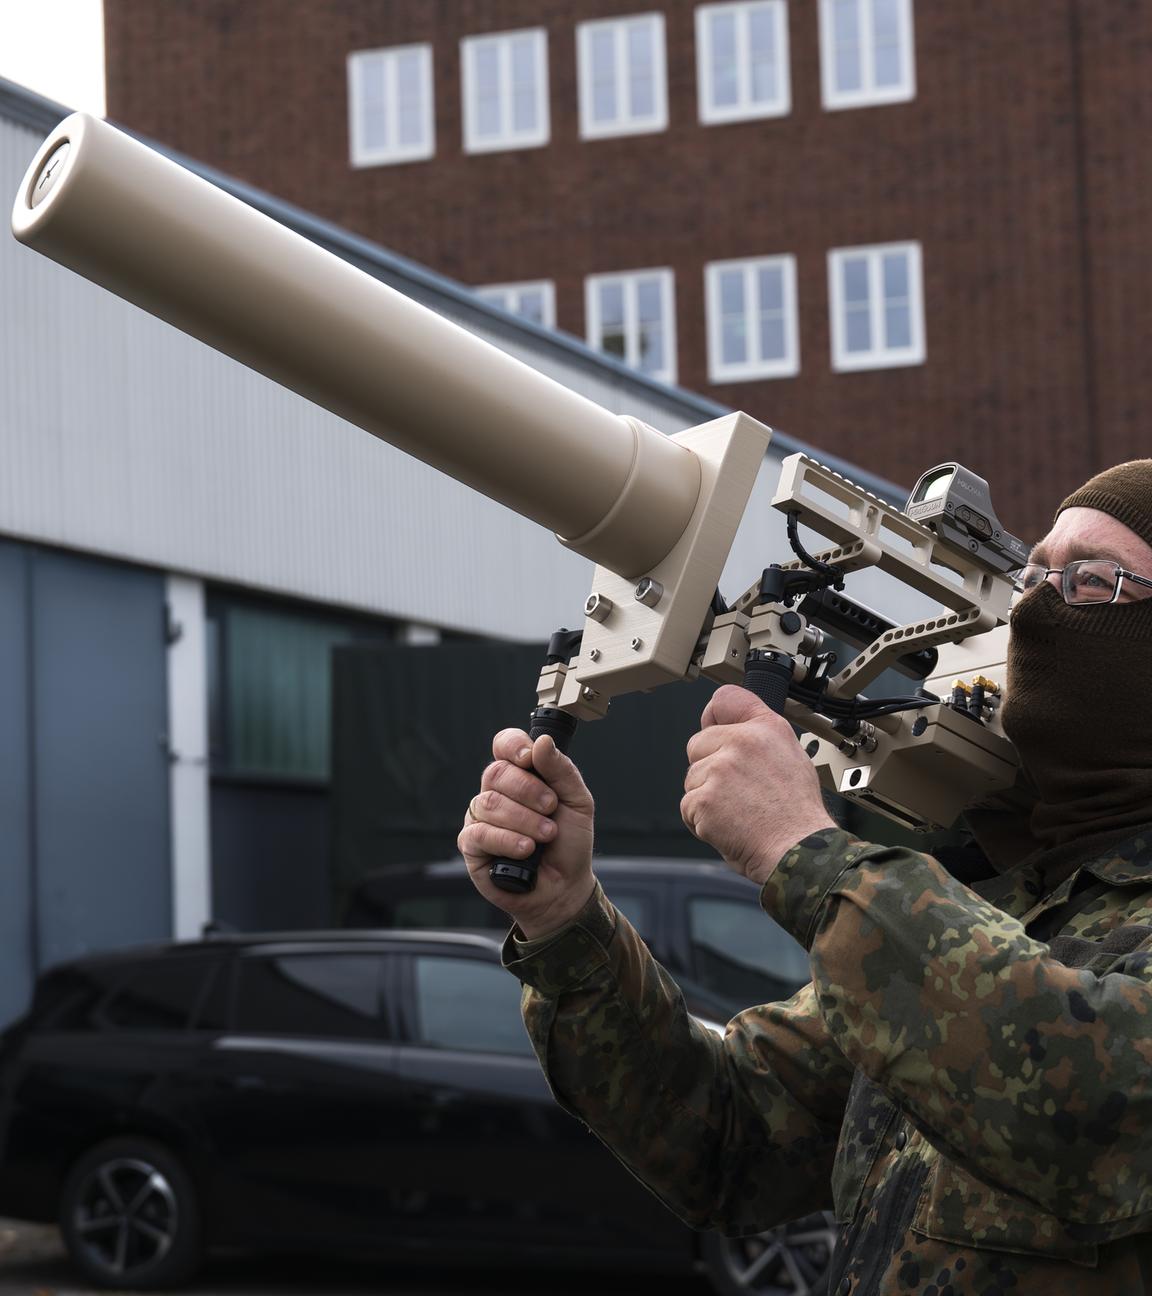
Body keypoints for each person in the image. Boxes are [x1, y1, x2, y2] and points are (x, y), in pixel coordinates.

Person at [458, 461, 1152, 1295]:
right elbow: (725, 1135)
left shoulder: (957, 926)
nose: (1037, 604)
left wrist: (805, 851)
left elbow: (1097, 1106)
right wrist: (568, 921)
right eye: (1035, 573)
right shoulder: (1001, 904)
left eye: (1094, 581)